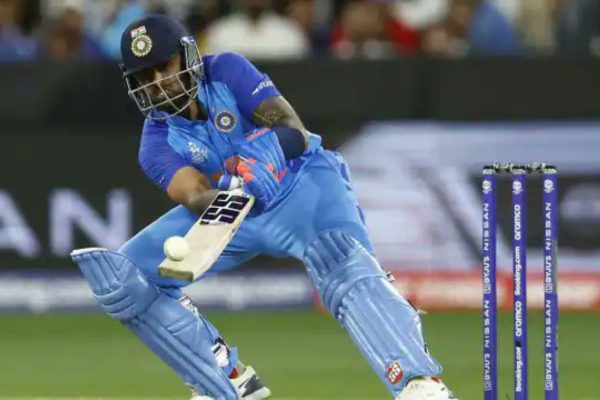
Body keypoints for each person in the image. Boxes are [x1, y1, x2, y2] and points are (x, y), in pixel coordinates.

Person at [70, 14, 457, 400]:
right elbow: (195, 195)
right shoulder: (154, 144)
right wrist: (229, 192)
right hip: (233, 211)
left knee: (339, 261)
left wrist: (265, 156)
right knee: (126, 279)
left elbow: (292, 130)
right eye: (145, 75)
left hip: (300, 183)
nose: (158, 82)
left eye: (164, 66)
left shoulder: (226, 70)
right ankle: (225, 379)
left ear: (186, 56)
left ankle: (419, 383)